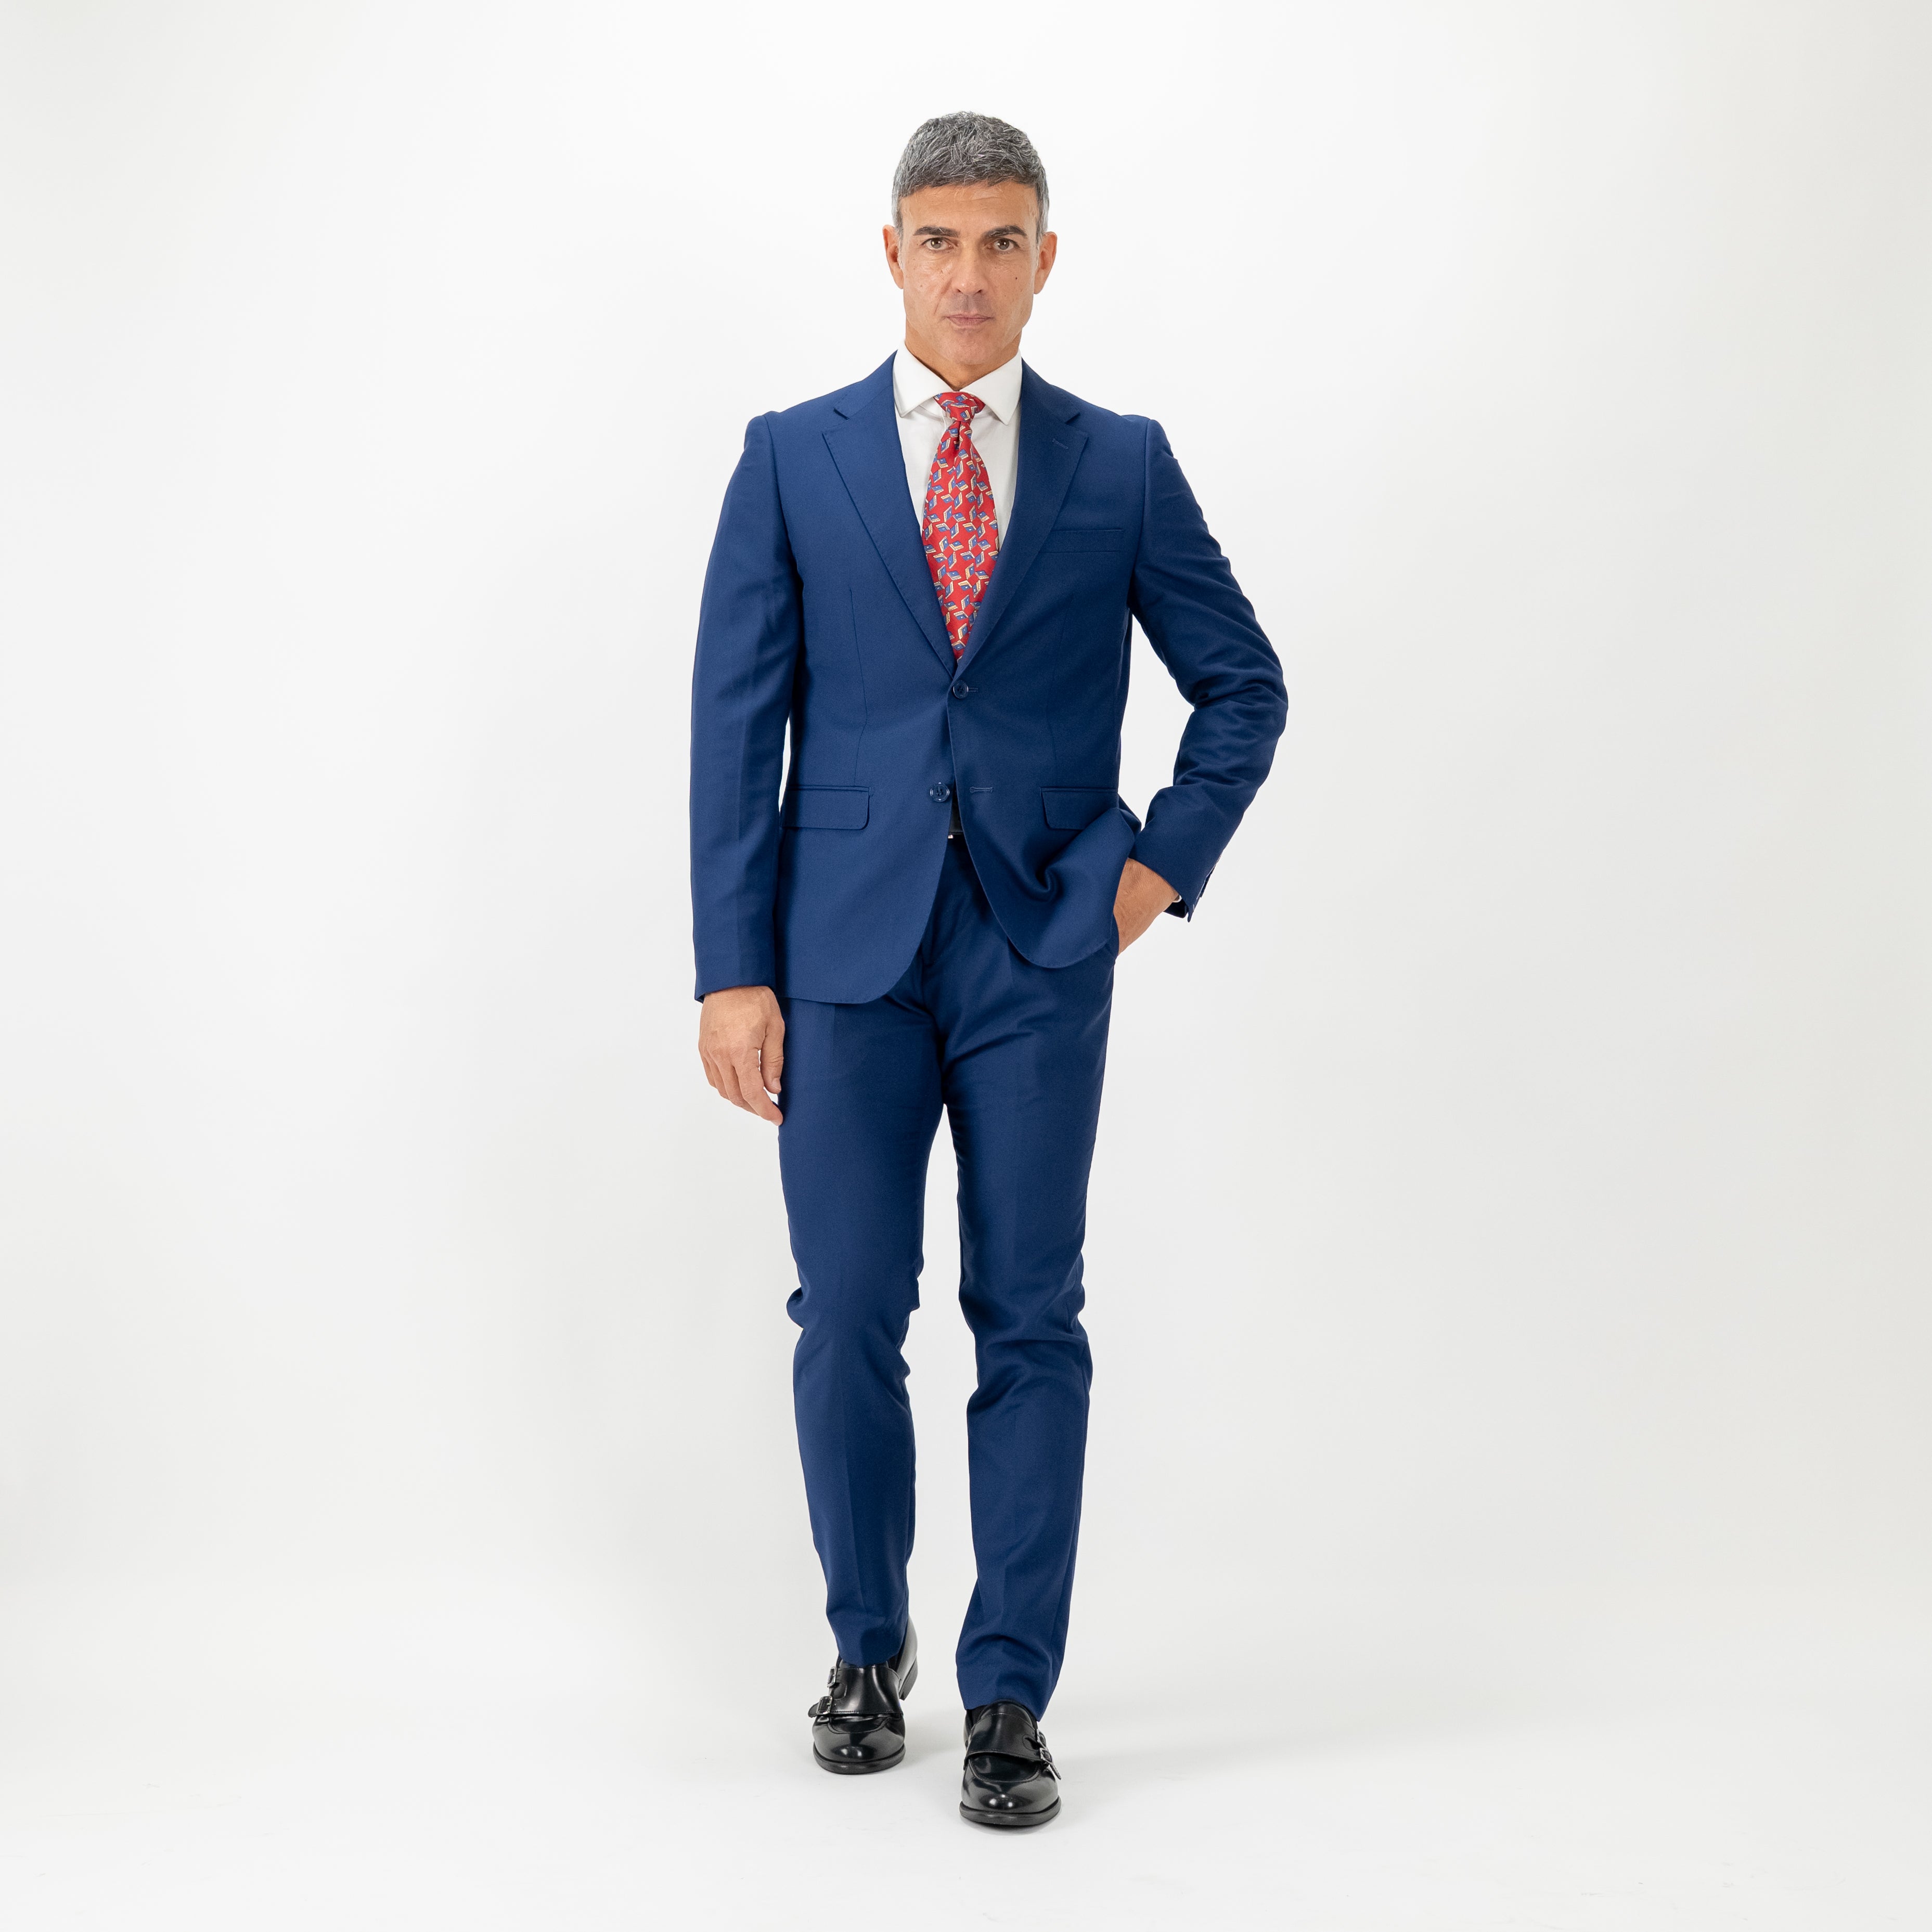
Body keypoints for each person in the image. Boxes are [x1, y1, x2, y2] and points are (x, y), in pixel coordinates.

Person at [689, 111, 1285, 1829]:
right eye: (939, 241)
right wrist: (733, 967)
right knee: (844, 1309)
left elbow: (1242, 683)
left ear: (1043, 259)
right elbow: (735, 723)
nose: (968, 273)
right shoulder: (790, 456)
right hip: (839, 952)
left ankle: (1010, 1687)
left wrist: (1154, 868)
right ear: (891, 253)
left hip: (1040, 943)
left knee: (1030, 1312)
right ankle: (863, 1647)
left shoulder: (1118, 463)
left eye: (1000, 241)